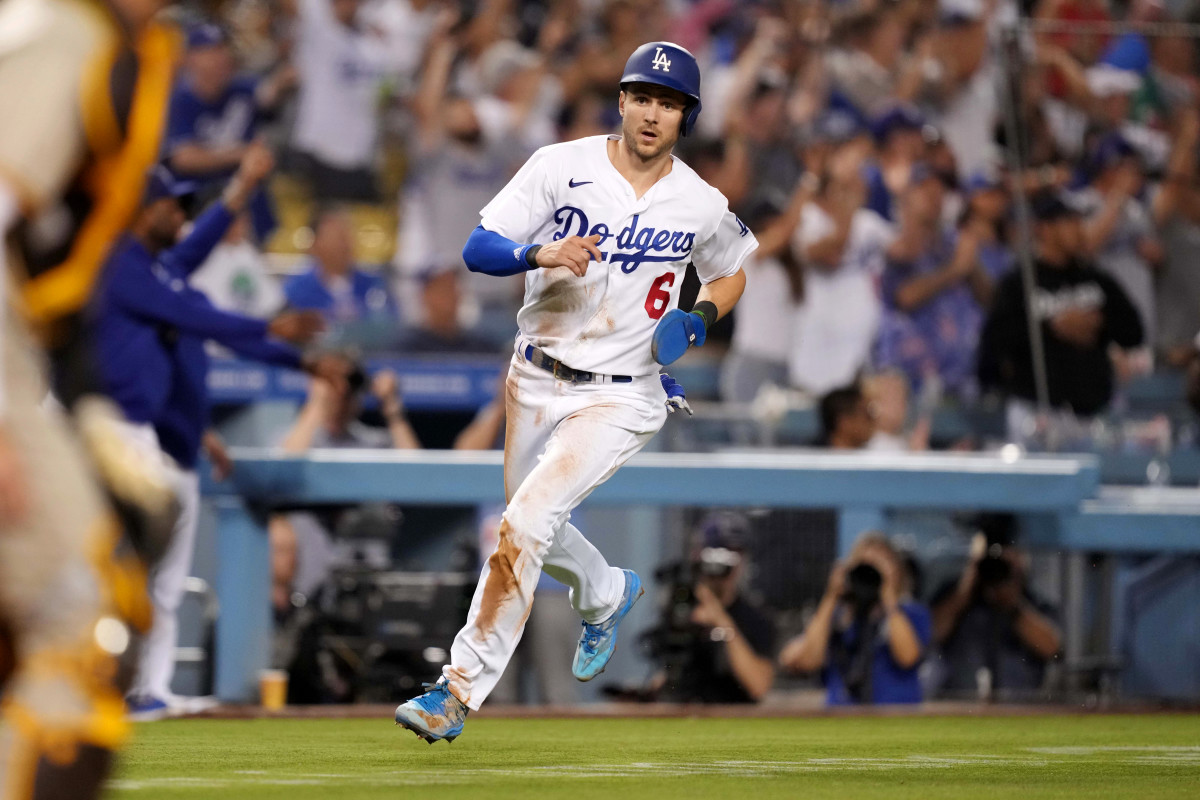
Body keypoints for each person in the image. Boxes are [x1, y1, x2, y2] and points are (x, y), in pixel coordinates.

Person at [393, 41, 756, 743]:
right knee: (531, 523)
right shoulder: (561, 165)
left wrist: (701, 317)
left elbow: (734, 268)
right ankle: (606, 591)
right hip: (535, 375)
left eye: (670, 104)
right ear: (621, 101)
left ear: (687, 118)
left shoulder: (699, 200)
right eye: (643, 97)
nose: (653, 114)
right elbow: (478, 248)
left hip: (623, 393)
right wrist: (539, 252)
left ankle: (455, 692)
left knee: (524, 525)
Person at [0, 0, 183, 794]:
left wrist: (87, 409)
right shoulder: (72, 33)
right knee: (86, 605)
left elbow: (54, 276)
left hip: (27, 355)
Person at [90, 148, 326, 719]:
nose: (184, 218)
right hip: (102, 431)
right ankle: (93, 685)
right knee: (102, 568)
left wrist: (243, 187)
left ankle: (149, 688)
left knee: (161, 575)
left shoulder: (161, 267)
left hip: (143, 436)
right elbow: (197, 318)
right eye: (175, 207)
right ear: (147, 208)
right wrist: (268, 323)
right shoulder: (121, 261)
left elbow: (200, 248)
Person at [977, 191, 1144, 421]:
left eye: (1079, 221)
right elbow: (993, 348)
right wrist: (1051, 327)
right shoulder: (1019, 283)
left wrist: (1097, 324)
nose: (1078, 229)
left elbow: (1134, 333)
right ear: (1045, 228)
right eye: (1069, 222)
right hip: (1036, 412)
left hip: (1095, 411)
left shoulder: (1095, 278)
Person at [779, 533, 932, 705]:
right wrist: (831, 597)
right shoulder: (837, 616)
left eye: (880, 566)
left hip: (896, 718)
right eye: (866, 567)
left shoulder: (911, 612)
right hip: (843, 720)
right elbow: (806, 661)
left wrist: (888, 597)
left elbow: (908, 657)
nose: (873, 575)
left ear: (897, 572)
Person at [647, 512, 776, 704]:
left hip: (734, 719)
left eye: (734, 553)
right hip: (681, 716)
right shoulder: (681, 607)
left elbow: (758, 686)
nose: (724, 563)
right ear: (699, 554)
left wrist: (721, 622)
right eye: (717, 551)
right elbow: (670, 670)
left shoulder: (756, 619)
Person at [928, 520, 1062, 700]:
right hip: (960, 704)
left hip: (1020, 707)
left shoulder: (1033, 601)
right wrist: (968, 583)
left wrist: (1012, 603)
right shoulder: (955, 595)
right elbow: (930, 635)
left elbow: (1053, 649)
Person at [283, 207, 397, 325]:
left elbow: (391, 325)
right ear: (315, 244)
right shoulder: (298, 290)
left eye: (346, 236)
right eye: (335, 237)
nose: (344, 244)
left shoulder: (374, 284)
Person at [819, 384, 876, 450]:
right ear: (844, 422)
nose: (873, 420)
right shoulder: (810, 456)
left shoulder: (875, 454)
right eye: (867, 415)